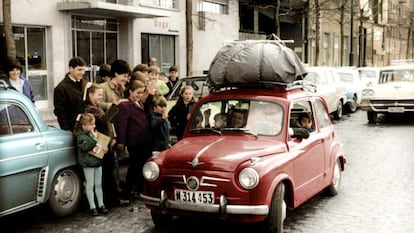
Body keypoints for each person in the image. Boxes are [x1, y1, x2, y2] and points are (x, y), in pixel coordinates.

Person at [115, 80, 152, 198]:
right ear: (130, 91)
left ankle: (139, 188)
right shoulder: (125, 105)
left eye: (141, 93)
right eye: (137, 92)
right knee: (134, 166)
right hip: (134, 141)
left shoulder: (139, 103)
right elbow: (122, 125)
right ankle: (127, 191)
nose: (139, 95)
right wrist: (121, 141)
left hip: (144, 140)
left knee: (142, 165)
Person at [73, 113, 109, 216]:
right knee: (90, 185)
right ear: (84, 125)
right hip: (88, 163)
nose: (94, 126)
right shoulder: (81, 136)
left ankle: (101, 204)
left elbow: (99, 147)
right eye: (92, 124)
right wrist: (94, 138)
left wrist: (104, 149)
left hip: (97, 161)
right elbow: (86, 146)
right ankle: (92, 206)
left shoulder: (92, 133)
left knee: (98, 184)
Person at [54, 56, 87, 132]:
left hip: (87, 126)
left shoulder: (84, 83)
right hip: (73, 128)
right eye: (79, 70)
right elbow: (60, 112)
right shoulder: (61, 88)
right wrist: (66, 129)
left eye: (83, 70)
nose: (82, 72)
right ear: (71, 69)